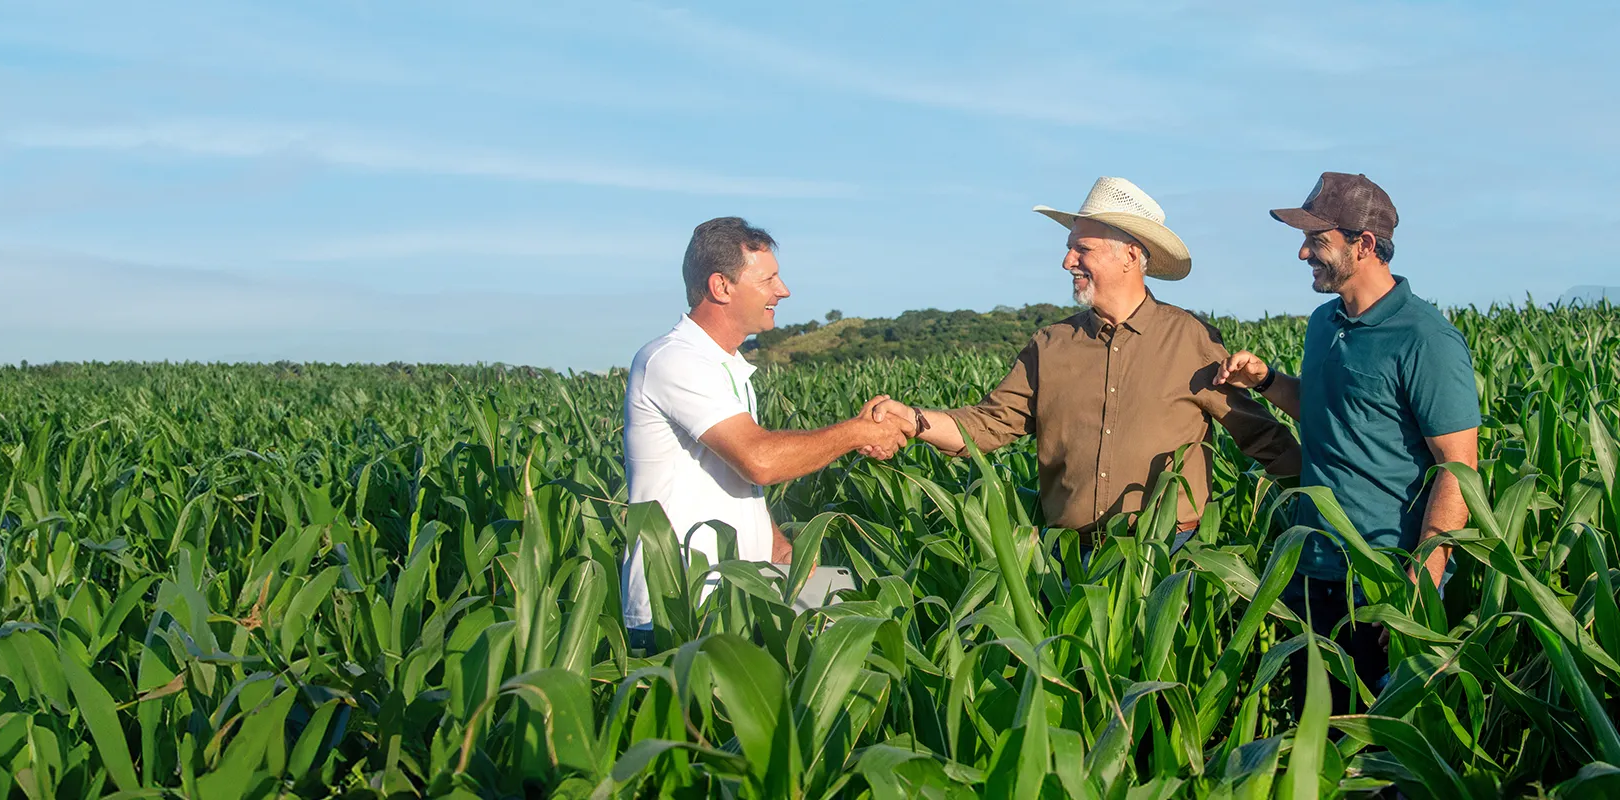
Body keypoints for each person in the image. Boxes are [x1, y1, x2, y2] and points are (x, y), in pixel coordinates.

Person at [864, 177, 1300, 550]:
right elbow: (985, 426)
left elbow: (1260, 436)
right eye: (1070, 249)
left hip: (1168, 556)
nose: (1067, 261)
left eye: (1081, 249)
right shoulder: (1050, 345)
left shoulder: (1190, 339)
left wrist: (1325, 504)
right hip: (1068, 560)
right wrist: (912, 419)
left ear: (1130, 255)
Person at [1214, 171, 1480, 712]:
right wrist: (1266, 381)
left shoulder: (1425, 339)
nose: (1302, 253)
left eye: (1317, 241)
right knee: (1315, 728)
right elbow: (1324, 411)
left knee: (1378, 749)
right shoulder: (1323, 322)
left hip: (1382, 578)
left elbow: (1458, 468)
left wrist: (1419, 584)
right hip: (1311, 565)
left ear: (1363, 245)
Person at [621, 217, 909, 650]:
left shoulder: (725, 367)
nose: (783, 290)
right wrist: (858, 432)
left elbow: (728, 480)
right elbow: (759, 460)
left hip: (736, 600)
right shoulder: (674, 361)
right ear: (721, 287)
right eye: (769, 279)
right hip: (682, 609)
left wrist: (776, 547)